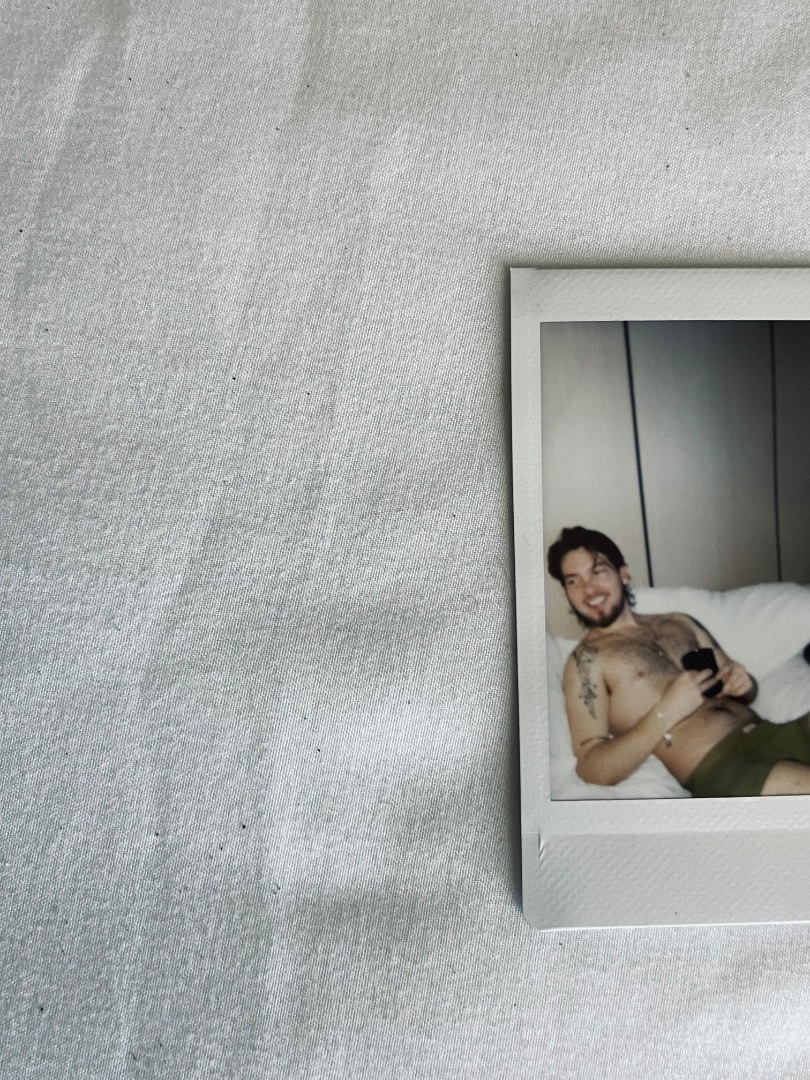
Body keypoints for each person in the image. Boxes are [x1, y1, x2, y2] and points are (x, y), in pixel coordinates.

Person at [547, 526, 810, 797]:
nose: (589, 589)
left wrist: (745, 684)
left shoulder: (678, 622)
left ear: (623, 574)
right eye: (573, 581)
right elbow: (591, 768)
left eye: (598, 571)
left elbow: (745, 689)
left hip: (774, 733)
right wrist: (666, 711)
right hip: (728, 767)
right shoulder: (585, 662)